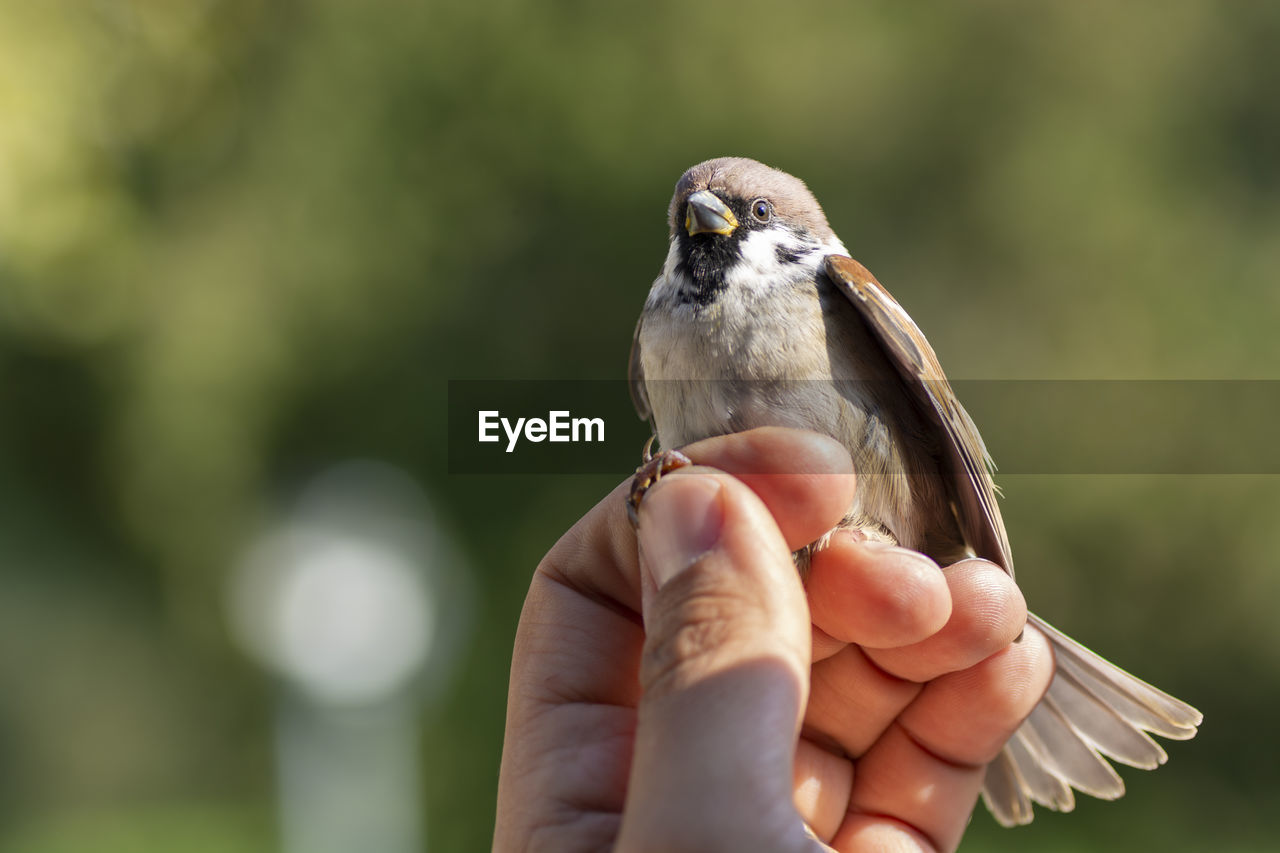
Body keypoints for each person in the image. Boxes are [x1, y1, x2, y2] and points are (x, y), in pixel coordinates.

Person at [494, 428, 1053, 852]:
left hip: (891, 555)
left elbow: (943, 424)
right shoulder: (657, 329)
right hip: (842, 613)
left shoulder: (835, 283)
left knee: (937, 605)